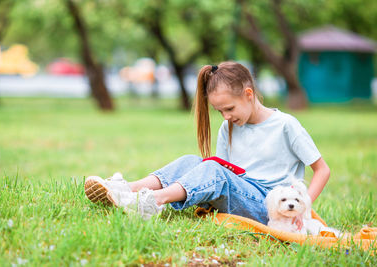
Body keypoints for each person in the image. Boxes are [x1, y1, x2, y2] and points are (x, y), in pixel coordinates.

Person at [84, 61, 330, 227]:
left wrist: (301, 209)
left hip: (269, 203)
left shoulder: (285, 125)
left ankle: (153, 201)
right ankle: (128, 189)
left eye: (230, 108)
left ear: (249, 94)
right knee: (192, 161)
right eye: (219, 111)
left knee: (213, 170)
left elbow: (322, 170)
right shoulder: (229, 127)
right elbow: (223, 171)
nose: (226, 117)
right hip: (240, 192)